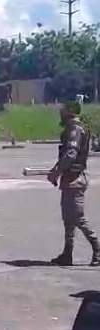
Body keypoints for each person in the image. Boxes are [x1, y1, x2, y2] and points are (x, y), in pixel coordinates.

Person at [47, 101, 100, 266]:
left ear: (69, 112)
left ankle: (97, 248)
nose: (60, 114)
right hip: (71, 178)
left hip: (75, 178)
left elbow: (70, 154)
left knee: (77, 218)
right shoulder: (76, 128)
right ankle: (67, 253)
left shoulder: (75, 129)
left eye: (62, 111)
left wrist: (56, 172)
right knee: (68, 219)